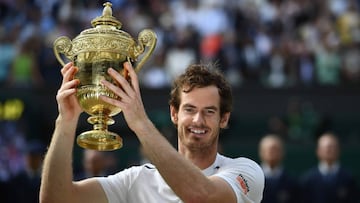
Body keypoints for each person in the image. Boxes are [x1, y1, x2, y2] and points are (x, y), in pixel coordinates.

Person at [40, 62, 264, 203]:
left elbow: (201, 196)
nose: (198, 120)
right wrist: (65, 122)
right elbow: (56, 199)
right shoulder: (136, 180)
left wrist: (140, 122)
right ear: (174, 114)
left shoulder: (244, 170)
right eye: (190, 109)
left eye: (209, 111)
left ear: (223, 119)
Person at [300, 132, 358, 203]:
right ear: (318, 151)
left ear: (339, 150)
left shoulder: (348, 178)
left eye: (333, 147)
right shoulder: (308, 179)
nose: (330, 150)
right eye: (327, 148)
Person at [258, 134, 300, 203]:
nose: (271, 153)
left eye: (275, 149)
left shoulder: (292, 182)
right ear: (261, 152)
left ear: (282, 152)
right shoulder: (252, 180)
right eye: (268, 149)